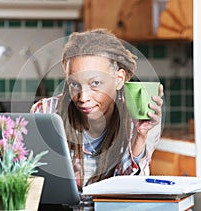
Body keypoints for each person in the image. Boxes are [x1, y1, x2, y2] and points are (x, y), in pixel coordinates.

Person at [30, 28, 164, 190]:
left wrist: (140, 138)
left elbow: (132, 192)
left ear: (119, 79)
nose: (83, 97)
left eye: (95, 83)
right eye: (74, 84)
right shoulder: (46, 112)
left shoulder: (138, 120)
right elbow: (24, 180)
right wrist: (58, 178)